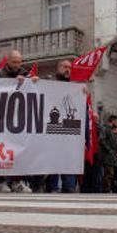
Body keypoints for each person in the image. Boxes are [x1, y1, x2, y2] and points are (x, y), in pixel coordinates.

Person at [0, 50, 38, 193]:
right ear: (8, 61)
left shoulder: (26, 75)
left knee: (18, 150)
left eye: (19, 62)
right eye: (14, 62)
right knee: (2, 150)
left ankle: (16, 181)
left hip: (19, 119)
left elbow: (35, 89)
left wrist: (33, 81)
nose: (17, 65)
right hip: (2, 118)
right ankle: (0, 182)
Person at [45, 59, 78, 193]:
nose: (67, 69)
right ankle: (52, 186)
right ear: (58, 67)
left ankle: (69, 185)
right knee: (53, 157)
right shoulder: (48, 80)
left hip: (67, 130)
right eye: (65, 67)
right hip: (52, 128)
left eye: (70, 67)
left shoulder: (74, 86)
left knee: (68, 157)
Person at [98, 115, 117, 193]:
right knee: (109, 173)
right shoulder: (105, 129)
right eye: (116, 121)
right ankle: (106, 190)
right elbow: (101, 140)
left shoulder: (110, 130)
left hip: (111, 156)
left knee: (110, 174)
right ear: (112, 121)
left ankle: (107, 188)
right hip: (107, 156)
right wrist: (109, 150)